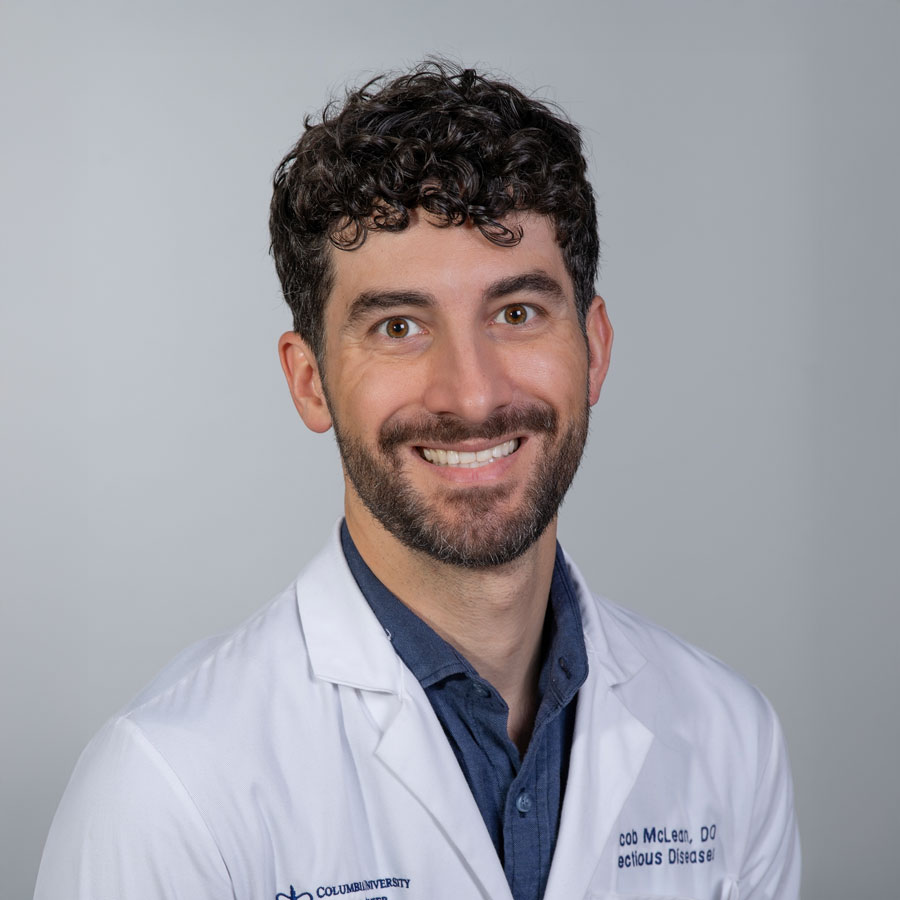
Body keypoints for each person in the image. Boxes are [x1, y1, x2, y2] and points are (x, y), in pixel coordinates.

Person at [34, 61, 800, 900]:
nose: (472, 396)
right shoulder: (167, 792)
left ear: (595, 348)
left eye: (516, 313)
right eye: (398, 326)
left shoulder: (729, 739)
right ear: (309, 382)